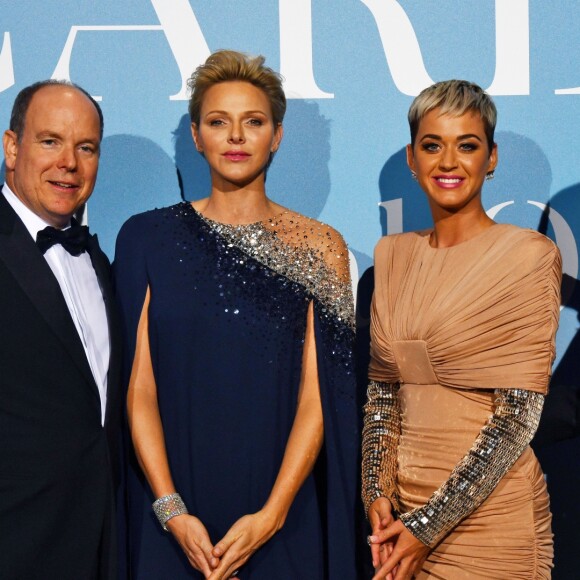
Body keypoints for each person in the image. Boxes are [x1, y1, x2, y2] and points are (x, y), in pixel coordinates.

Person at [114, 50, 358, 579]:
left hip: (283, 520)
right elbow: (139, 388)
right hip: (171, 521)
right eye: (218, 122)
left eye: (253, 122)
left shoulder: (321, 248)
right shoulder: (146, 238)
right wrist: (171, 510)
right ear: (197, 136)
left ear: (277, 136)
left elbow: (320, 401)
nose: (236, 137)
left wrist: (271, 517)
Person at [362, 80, 560, 579]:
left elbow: (517, 418)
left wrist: (428, 527)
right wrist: (377, 493)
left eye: (467, 145)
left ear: (491, 158)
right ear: (412, 158)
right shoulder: (392, 257)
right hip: (401, 522)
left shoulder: (527, 256)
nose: (448, 162)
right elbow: (384, 396)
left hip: (491, 521)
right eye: (433, 145)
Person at [0, 80, 122, 578]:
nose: (68, 162)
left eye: (85, 147)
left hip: (103, 543)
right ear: (12, 147)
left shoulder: (98, 257)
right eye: (50, 141)